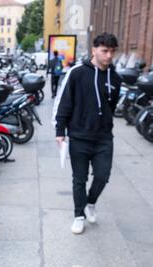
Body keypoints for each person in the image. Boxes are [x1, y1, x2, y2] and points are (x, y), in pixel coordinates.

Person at [53, 33, 121, 235]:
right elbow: (66, 102)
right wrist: (60, 130)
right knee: (79, 179)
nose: (109, 56)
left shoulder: (115, 78)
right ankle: (79, 216)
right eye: (105, 51)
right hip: (79, 137)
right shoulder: (78, 73)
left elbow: (111, 105)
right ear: (94, 50)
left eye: (112, 51)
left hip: (103, 138)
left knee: (102, 175)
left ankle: (90, 203)